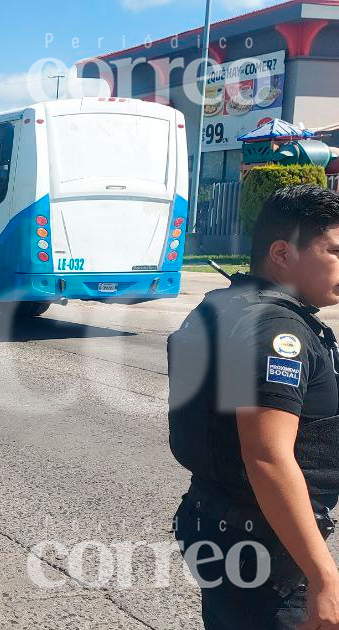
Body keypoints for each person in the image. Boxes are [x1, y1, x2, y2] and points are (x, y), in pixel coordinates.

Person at [168, 185, 339, 630]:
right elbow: (267, 457)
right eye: (335, 251)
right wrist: (324, 577)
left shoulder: (227, 306)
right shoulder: (277, 333)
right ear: (282, 253)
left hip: (220, 524)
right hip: (265, 551)